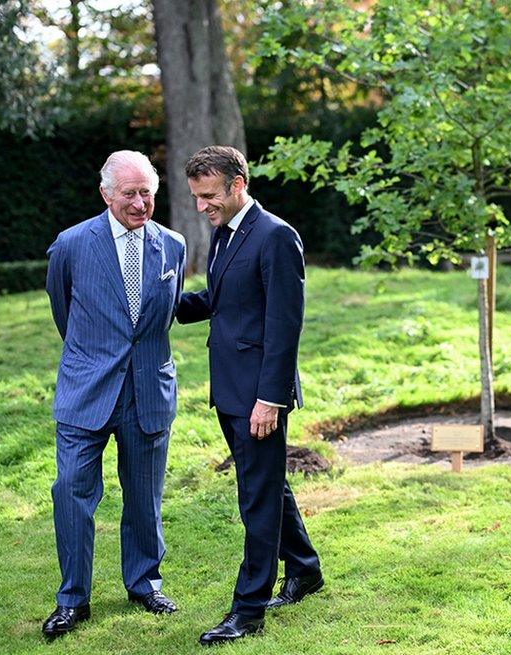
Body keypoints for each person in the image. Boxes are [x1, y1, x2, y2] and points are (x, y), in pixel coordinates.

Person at [176, 146, 323, 646]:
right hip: (230, 390)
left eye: (209, 196)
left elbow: (285, 325)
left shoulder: (276, 236)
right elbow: (221, 301)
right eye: (197, 197)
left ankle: (249, 608)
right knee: (266, 484)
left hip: (260, 395)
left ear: (238, 183)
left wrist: (271, 399)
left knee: (255, 498)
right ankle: (304, 568)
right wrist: (164, 306)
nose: (202, 207)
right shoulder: (224, 234)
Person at [42, 151, 186, 639]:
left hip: (148, 390)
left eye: (148, 192)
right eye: (130, 193)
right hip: (86, 391)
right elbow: (63, 311)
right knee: (71, 493)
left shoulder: (173, 246)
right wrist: (94, 358)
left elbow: (161, 317)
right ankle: (72, 600)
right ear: (106, 194)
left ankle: (144, 583)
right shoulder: (70, 245)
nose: (141, 202)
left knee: (144, 496)